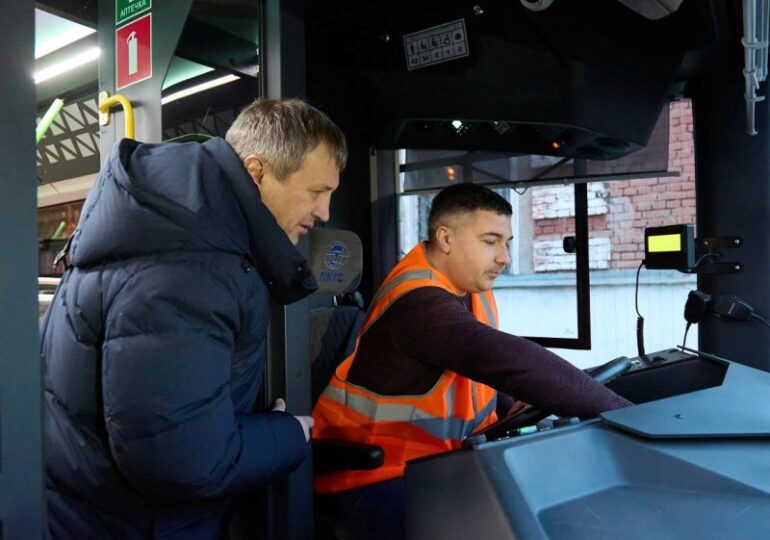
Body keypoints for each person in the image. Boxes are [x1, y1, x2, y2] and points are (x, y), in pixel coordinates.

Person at [41, 98, 347, 538]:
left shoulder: (176, 234)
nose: (325, 212)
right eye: (317, 191)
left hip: (92, 506)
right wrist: (286, 434)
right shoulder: (192, 273)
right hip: (133, 524)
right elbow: (182, 462)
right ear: (258, 172)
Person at [312, 183, 632, 540]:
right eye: (490, 240)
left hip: (437, 464)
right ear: (445, 238)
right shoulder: (419, 305)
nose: (505, 257)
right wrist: (627, 414)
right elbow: (509, 360)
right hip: (373, 479)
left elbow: (481, 380)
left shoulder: (464, 292)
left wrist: (511, 407)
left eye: (507, 243)